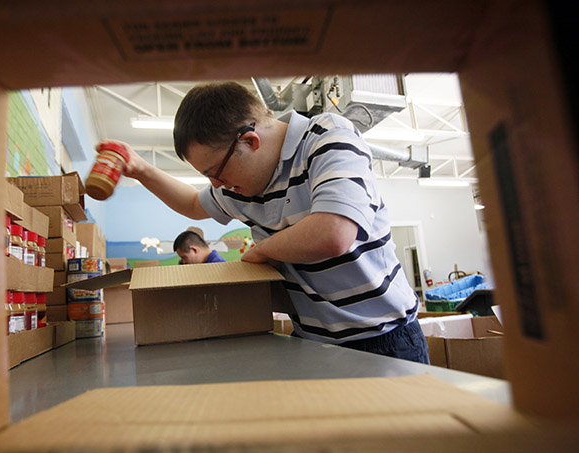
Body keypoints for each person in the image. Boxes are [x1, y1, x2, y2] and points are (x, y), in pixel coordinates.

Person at [101, 81, 429, 364]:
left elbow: (334, 231)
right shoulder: (240, 186)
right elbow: (190, 203)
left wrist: (261, 252)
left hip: (385, 339)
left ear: (250, 141)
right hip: (315, 343)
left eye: (216, 172)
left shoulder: (328, 139)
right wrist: (140, 168)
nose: (217, 185)